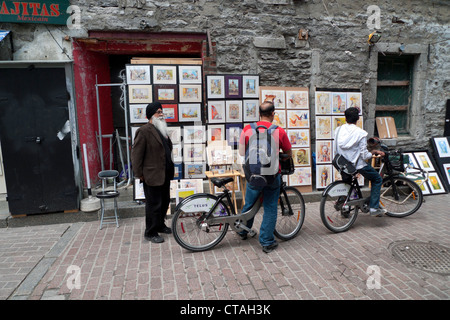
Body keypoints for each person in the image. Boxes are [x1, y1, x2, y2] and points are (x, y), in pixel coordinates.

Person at [238, 101, 292, 253]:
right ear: (273, 114)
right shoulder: (279, 131)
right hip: (272, 175)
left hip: (253, 175)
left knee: (249, 204)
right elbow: (289, 153)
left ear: (259, 114)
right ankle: (267, 241)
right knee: (270, 207)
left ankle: (243, 230)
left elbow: (242, 153)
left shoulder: (247, 129)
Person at [131, 102, 174, 243]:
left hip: (164, 174)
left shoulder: (162, 129)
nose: (161, 114)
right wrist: (139, 174)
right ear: (151, 115)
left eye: (162, 112)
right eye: (158, 112)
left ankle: (160, 225)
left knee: (164, 202)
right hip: (151, 175)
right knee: (153, 205)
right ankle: (150, 232)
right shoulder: (143, 131)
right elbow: (136, 155)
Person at [335, 107, 386, 217]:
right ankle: (373, 208)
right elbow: (364, 155)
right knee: (377, 179)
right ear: (357, 119)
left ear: (346, 118)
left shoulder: (338, 130)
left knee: (348, 183)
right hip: (356, 165)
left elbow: (337, 148)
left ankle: (344, 205)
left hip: (342, 163)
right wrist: (372, 152)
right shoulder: (361, 133)